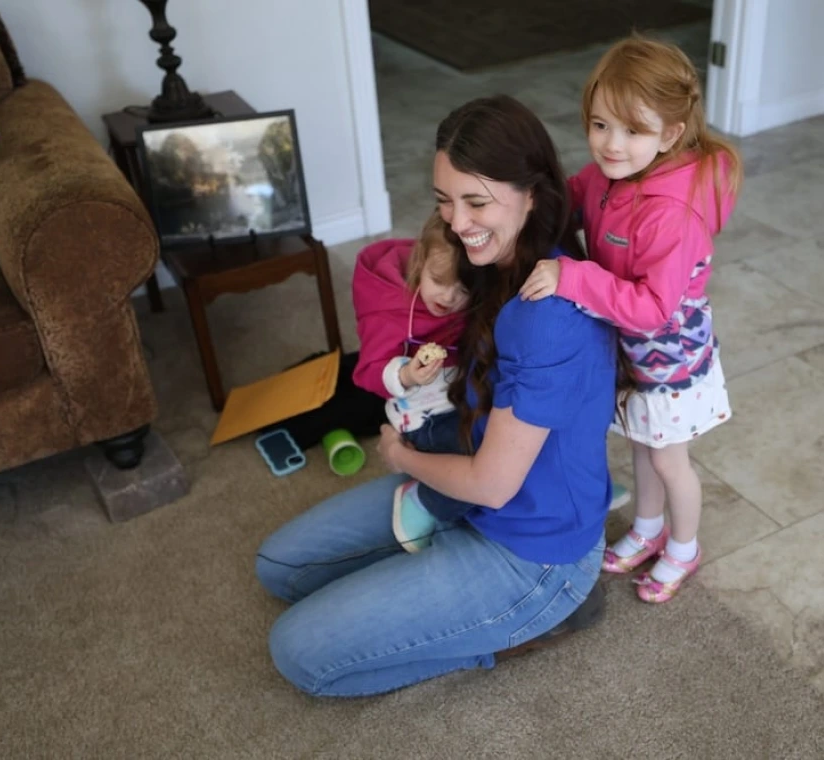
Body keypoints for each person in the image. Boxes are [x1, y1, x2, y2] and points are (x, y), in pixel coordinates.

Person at [254, 94, 618, 698]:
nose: (457, 220)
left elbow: (491, 484)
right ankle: (437, 572)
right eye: (444, 200)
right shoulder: (492, 258)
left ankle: (528, 625)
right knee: (280, 567)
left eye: (476, 201)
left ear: (532, 194)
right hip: (461, 492)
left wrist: (400, 457)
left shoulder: (546, 318)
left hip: (532, 550)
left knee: (299, 655)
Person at [520, 36, 743, 604]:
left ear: (670, 134)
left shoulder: (671, 214)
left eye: (632, 131)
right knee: (643, 446)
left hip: (667, 354)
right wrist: (531, 205)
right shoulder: (607, 173)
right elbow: (578, 197)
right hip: (633, 350)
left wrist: (573, 278)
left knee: (669, 458)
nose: (611, 145)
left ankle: (684, 548)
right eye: (600, 125)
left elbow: (651, 309)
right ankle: (647, 530)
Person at [350, 211, 475, 552]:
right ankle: (423, 499)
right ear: (419, 263)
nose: (449, 298)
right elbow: (367, 372)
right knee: (477, 456)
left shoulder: (465, 302)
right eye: (438, 280)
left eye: (463, 289)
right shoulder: (389, 310)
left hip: (462, 396)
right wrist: (404, 374)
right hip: (421, 414)